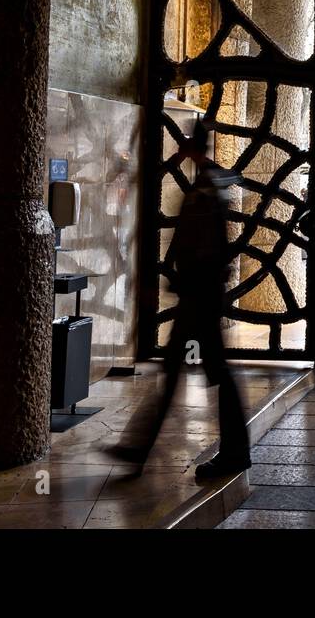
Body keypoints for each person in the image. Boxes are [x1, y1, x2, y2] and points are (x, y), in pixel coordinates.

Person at [109, 120, 249, 481]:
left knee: (210, 375)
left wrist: (179, 282)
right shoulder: (211, 181)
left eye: (185, 143)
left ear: (192, 147)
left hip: (199, 300)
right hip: (200, 297)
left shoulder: (205, 189)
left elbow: (201, 249)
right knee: (177, 374)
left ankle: (234, 453)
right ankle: (139, 449)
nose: (180, 148)